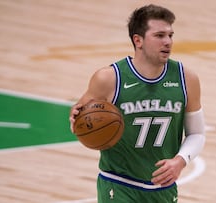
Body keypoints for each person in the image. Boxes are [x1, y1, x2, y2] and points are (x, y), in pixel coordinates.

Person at [69, 4, 206, 203]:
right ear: (138, 40)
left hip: (162, 188)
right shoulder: (109, 79)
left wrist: (180, 161)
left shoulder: (186, 79)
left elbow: (197, 133)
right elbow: (79, 122)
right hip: (118, 184)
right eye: (159, 35)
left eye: (170, 35)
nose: (168, 42)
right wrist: (75, 118)